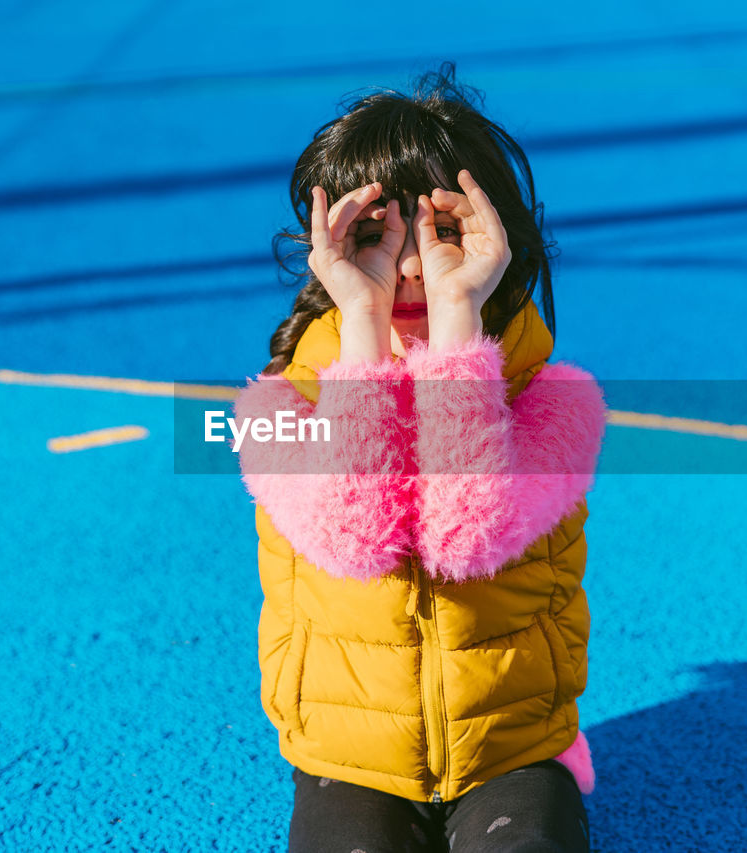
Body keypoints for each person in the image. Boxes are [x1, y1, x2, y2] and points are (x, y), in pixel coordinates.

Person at [232, 62, 607, 852]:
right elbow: (352, 538)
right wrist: (362, 326)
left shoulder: (560, 401)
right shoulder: (272, 408)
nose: (407, 264)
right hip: (350, 752)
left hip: (512, 743)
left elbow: (469, 536)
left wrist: (458, 318)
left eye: (440, 230)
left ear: (494, 235)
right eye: (373, 235)